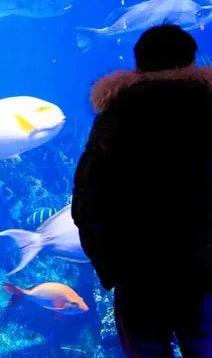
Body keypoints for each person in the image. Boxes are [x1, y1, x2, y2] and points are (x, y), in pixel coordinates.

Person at [73, 24, 212, 357]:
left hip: (137, 274)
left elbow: (87, 200)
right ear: (192, 61)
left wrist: (111, 268)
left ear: (138, 64)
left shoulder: (114, 117)